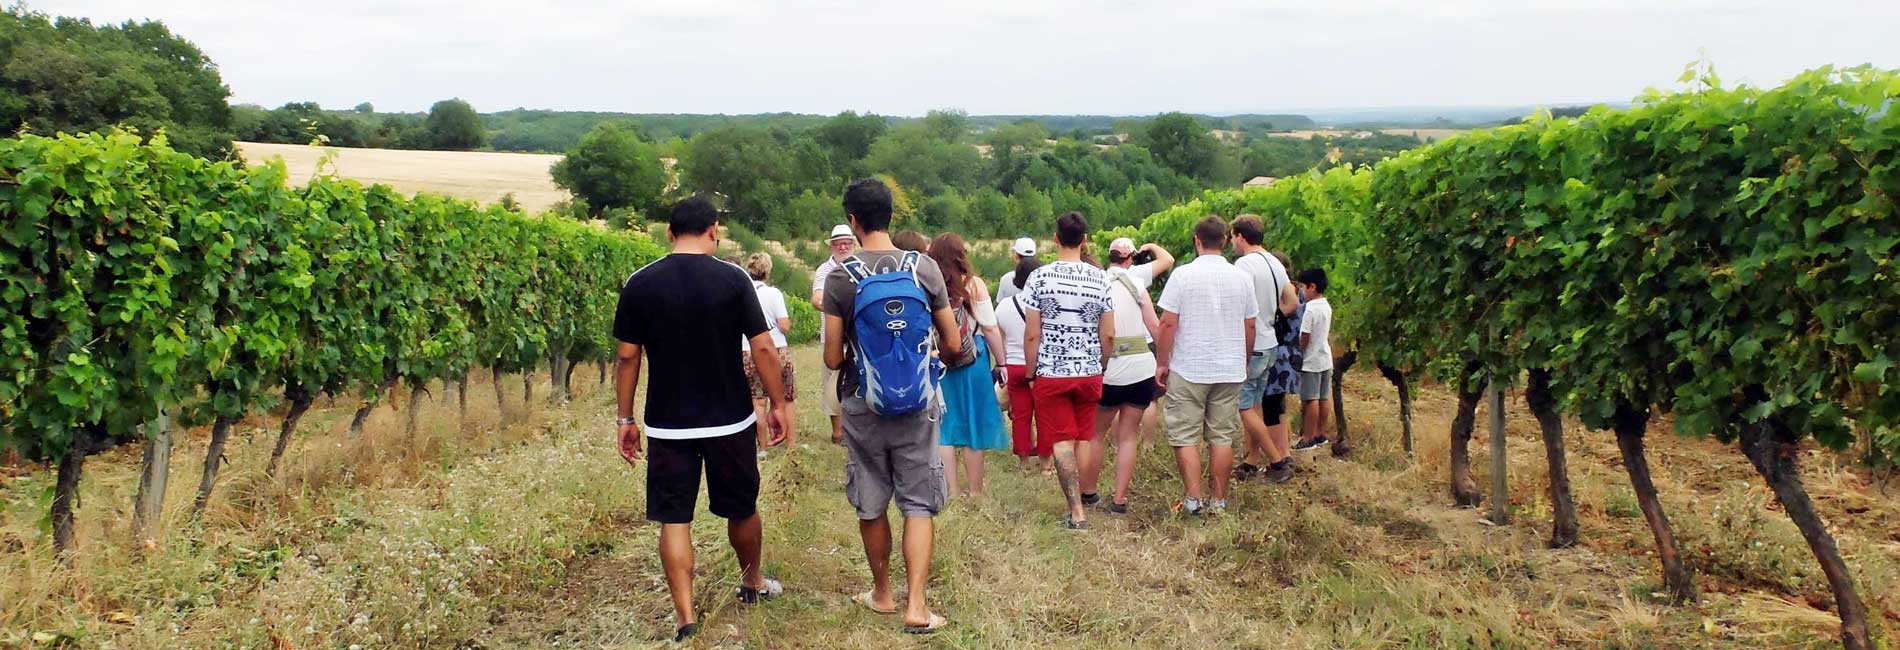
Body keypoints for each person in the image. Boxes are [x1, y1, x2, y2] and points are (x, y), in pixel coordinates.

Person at [613, 196, 795, 643]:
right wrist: (777, 404)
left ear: (670, 234)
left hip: (666, 423)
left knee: (674, 518)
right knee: (742, 506)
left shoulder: (640, 283)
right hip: (729, 420)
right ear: (714, 230)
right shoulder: (733, 280)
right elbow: (765, 348)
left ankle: (686, 617)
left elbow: (626, 357)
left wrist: (625, 419)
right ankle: (752, 582)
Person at [822, 178, 961, 634]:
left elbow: (830, 356)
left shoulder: (842, 276)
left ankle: (882, 593)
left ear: (853, 221)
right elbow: (953, 342)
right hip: (918, 401)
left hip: (863, 401)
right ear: (890, 216)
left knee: (871, 498)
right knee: (918, 502)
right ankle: (917, 605)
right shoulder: (923, 269)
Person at [1154, 216, 1257, 516]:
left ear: (1197, 240)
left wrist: (1163, 362)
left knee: (1185, 435)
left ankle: (1193, 500)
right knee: (1221, 436)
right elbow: (1250, 326)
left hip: (1190, 366)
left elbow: (1168, 322)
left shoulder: (1183, 276)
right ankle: (1219, 501)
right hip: (1229, 367)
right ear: (1225, 241)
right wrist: (1245, 359)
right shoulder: (1242, 278)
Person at [1022, 212, 1114, 530]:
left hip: (1052, 370)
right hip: (1089, 369)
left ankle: (1077, 512)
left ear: (1056, 238)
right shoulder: (1101, 279)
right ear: (1084, 239)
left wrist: (1031, 372)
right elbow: (1109, 334)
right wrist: (1101, 364)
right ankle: (1087, 493)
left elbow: (1032, 333)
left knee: (1061, 440)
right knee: (1083, 437)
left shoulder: (1040, 279)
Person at [1081, 237, 1173, 514]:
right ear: (1130, 258)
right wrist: (1165, 361)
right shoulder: (1137, 284)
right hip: (1142, 366)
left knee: (1097, 434)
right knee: (1129, 436)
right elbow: (1156, 327)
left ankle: (1088, 492)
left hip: (1111, 370)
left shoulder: (1097, 284)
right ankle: (1119, 500)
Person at [928, 233, 1010, 498]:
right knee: (973, 424)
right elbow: (990, 327)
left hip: (939, 360)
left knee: (945, 426)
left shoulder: (927, 283)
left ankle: (951, 491)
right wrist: (1002, 361)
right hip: (973, 358)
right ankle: (974, 491)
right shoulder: (973, 285)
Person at [1230, 215, 1300, 483]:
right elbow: (1291, 301)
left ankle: (1278, 461)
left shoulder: (1244, 265)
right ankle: (1250, 461)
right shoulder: (1274, 262)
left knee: (1244, 406)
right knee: (1255, 403)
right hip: (1270, 343)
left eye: (1233, 236)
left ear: (1239, 236)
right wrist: (1272, 317)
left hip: (1253, 344)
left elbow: (1238, 305)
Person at [995, 255, 1048, 470]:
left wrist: (1002, 365)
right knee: (1045, 415)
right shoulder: (1047, 304)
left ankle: (1024, 461)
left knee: (1020, 416)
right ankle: (1046, 463)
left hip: (1015, 366)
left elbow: (1000, 339)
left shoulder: (1005, 305)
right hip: (1042, 366)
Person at [742, 253, 797, 453]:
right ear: (768, 271)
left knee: (757, 401)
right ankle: (791, 443)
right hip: (776, 348)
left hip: (748, 350)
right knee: (786, 398)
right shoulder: (774, 294)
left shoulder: (743, 293)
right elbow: (784, 325)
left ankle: (762, 447)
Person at [812, 225, 857, 446]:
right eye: (838, 243)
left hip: (857, 336)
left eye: (847, 242)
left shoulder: (860, 267)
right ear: (831, 246)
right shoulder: (824, 270)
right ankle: (837, 432)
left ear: (853, 245)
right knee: (832, 382)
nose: (843, 246)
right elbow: (817, 299)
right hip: (833, 335)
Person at [1292, 268, 1335, 452]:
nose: (1301, 291)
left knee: (1311, 399)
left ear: (1312, 287)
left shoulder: (1309, 309)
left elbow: (1305, 336)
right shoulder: (1326, 306)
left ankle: (1308, 438)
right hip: (1326, 358)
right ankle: (1320, 433)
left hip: (1311, 360)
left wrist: (1298, 352)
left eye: (1303, 287)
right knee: (1324, 397)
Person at [994, 237, 1038, 302]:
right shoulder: (1044, 278)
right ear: (1035, 256)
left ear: (1016, 256)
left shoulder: (1006, 279)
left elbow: (1000, 304)